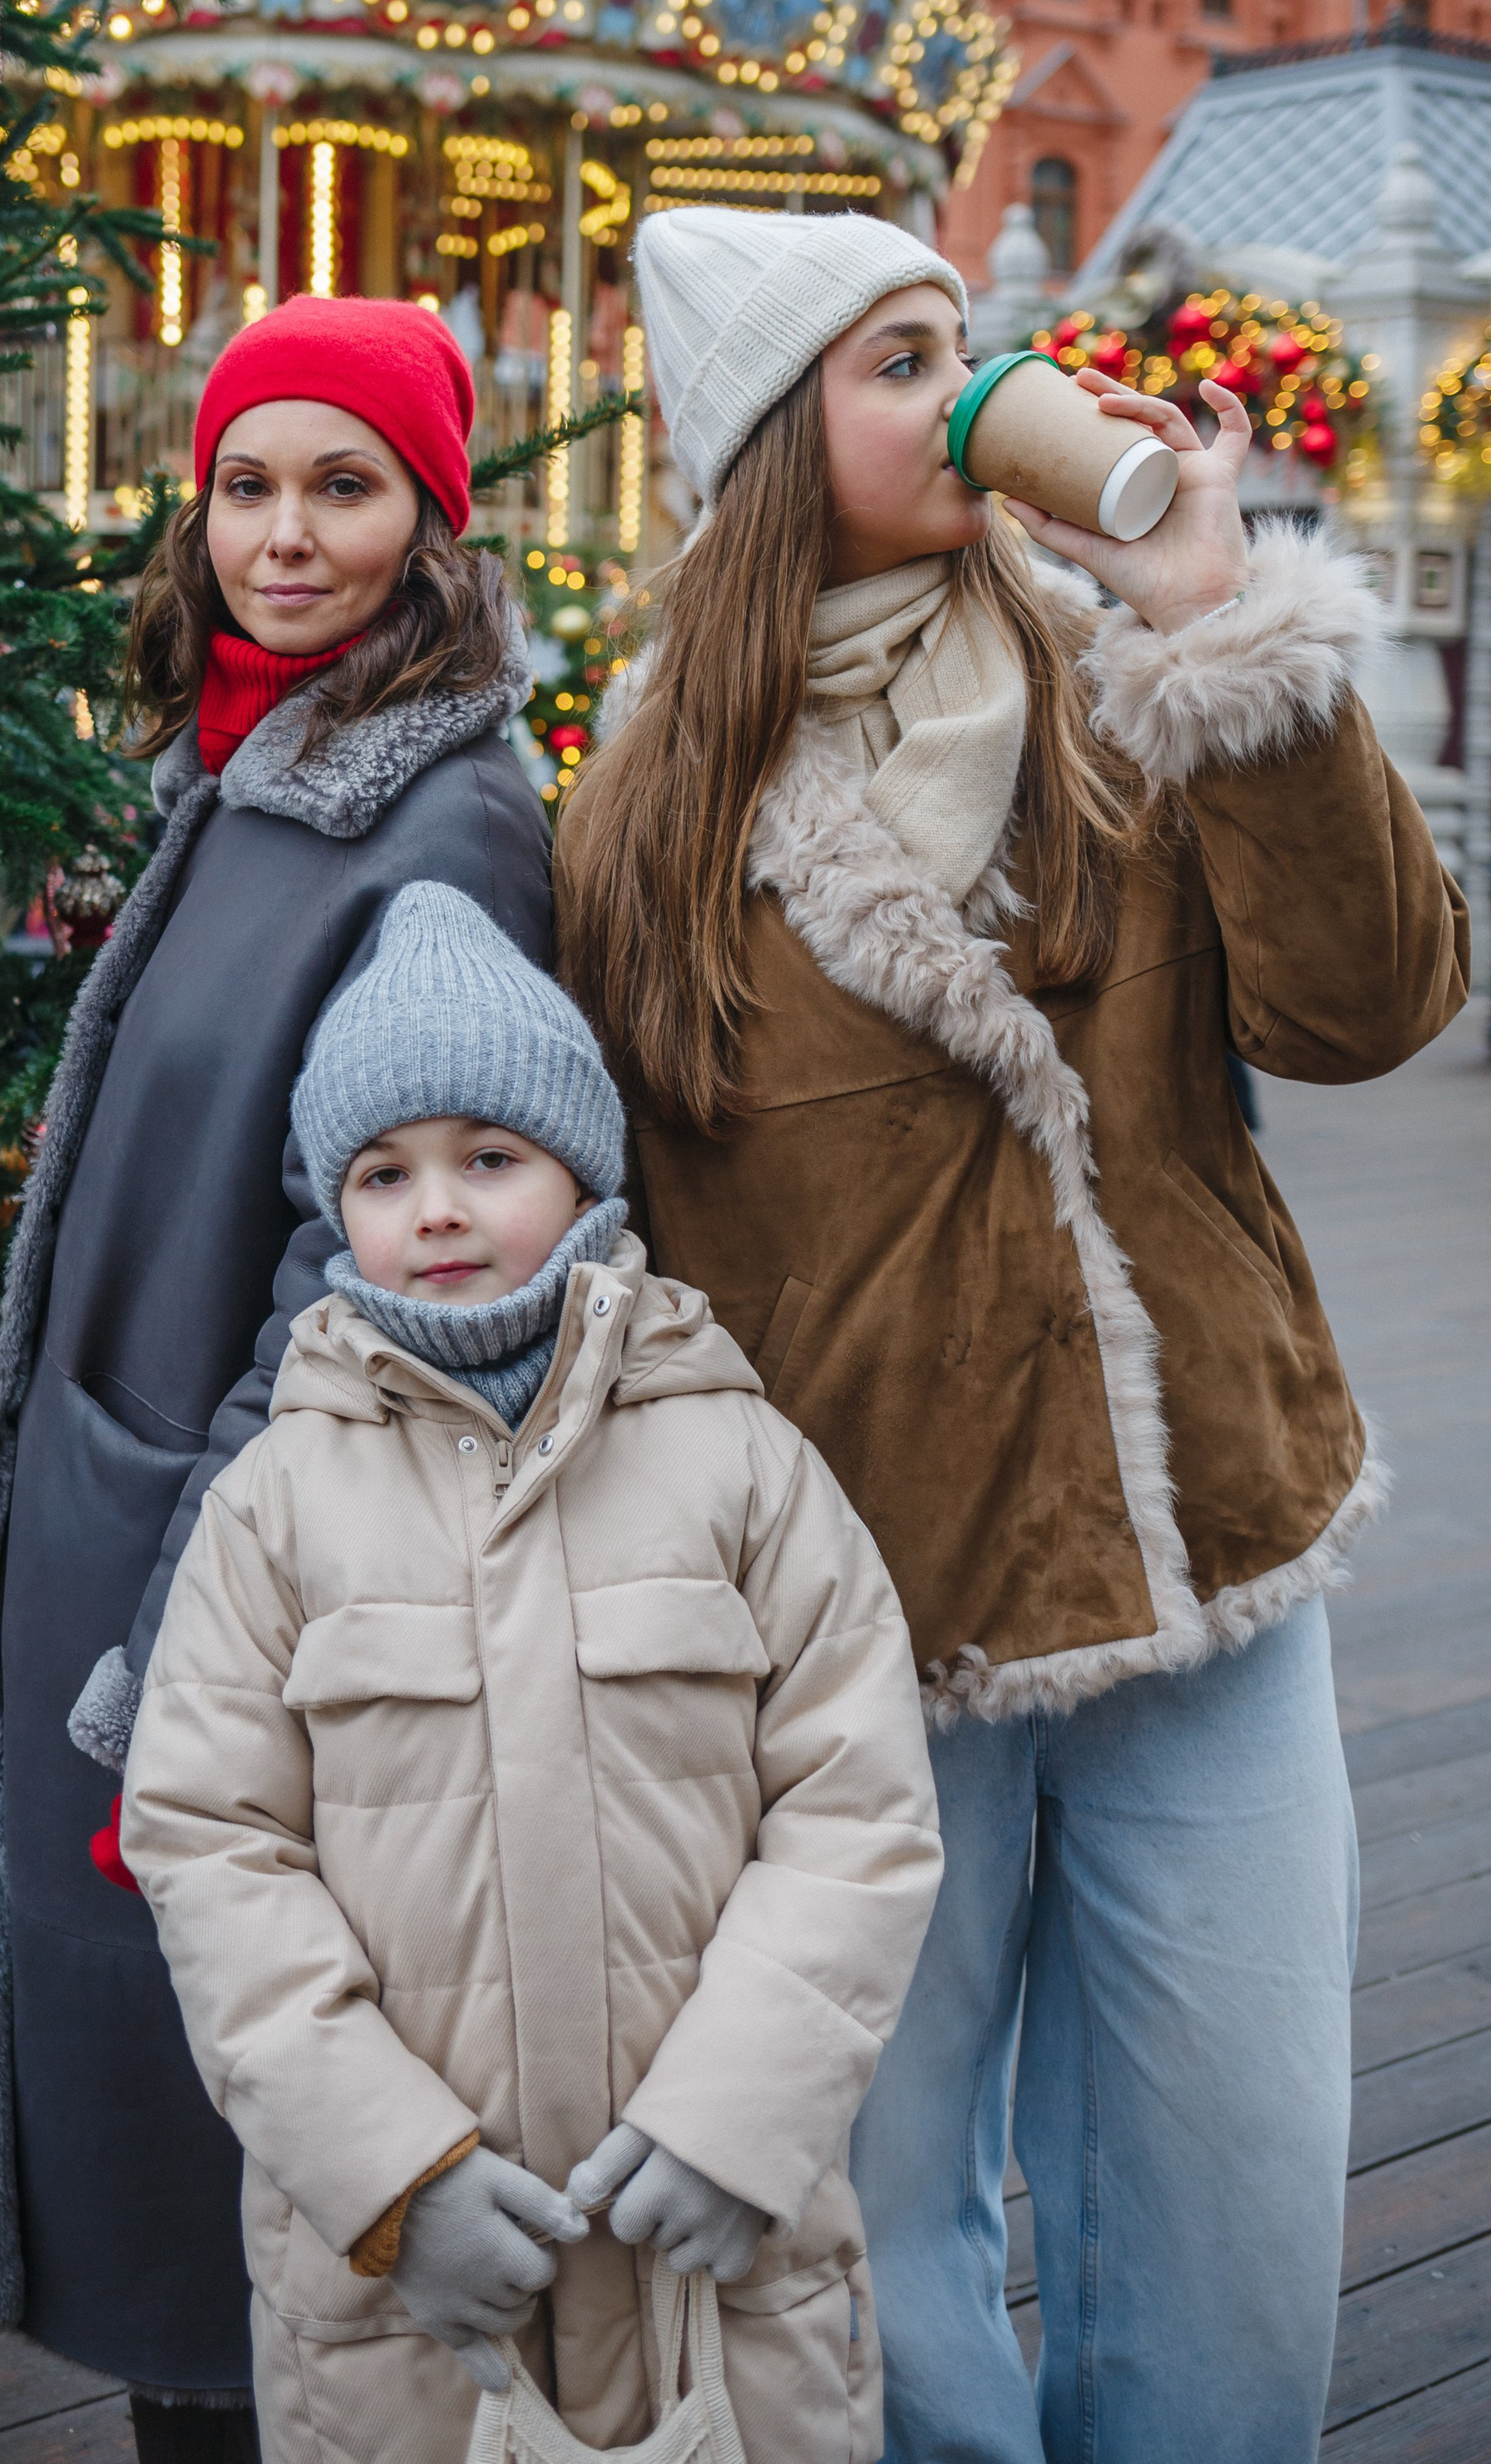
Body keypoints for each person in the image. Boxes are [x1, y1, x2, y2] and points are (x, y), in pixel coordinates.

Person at [555, 209, 1470, 2464]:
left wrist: (1223, 622)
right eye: (903, 362)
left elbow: (1374, 1009)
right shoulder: (646, 814)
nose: (971, 395)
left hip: (1210, 1549)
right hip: (871, 1619)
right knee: (875, 2220)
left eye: (967, 346)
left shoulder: (1122, 681)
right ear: (779, 442)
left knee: (1237, 2203)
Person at [0, 303, 554, 2462]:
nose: (286, 534)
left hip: (227, 1609)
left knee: (254, 2205)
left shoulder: (442, 827)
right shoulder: (251, 770)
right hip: (114, 1556)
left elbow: (384, 1267)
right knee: (174, 2208)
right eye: (250, 483)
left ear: (431, 521)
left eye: (346, 487)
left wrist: (197, 1633)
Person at [121, 881, 945, 2464]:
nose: (436, 1211)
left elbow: (859, 1809)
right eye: (384, 1172)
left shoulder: (740, 1461)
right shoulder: (277, 1507)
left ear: (581, 1173)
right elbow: (211, 1848)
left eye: (488, 1159)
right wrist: (389, 2175)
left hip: (712, 2258)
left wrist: (738, 2118)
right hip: (418, 2309)